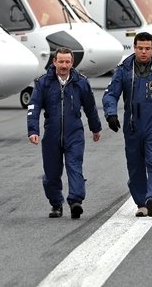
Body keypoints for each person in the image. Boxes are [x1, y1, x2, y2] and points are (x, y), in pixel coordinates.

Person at [102, 31, 152, 217]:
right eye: (140, 48)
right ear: (134, 48)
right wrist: (110, 114)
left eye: (147, 48)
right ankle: (142, 203)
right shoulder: (124, 69)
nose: (143, 52)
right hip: (132, 126)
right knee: (135, 166)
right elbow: (111, 94)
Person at [27, 47, 102, 219]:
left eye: (67, 62)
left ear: (72, 63)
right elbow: (34, 107)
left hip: (74, 134)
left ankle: (75, 201)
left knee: (74, 167)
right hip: (51, 135)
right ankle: (56, 203)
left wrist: (95, 128)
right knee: (51, 173)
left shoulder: (81, 82)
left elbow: (90, 107)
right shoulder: (43, 83)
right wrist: (33, 130)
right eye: (61, 61)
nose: (64, 65)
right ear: (54, 62)